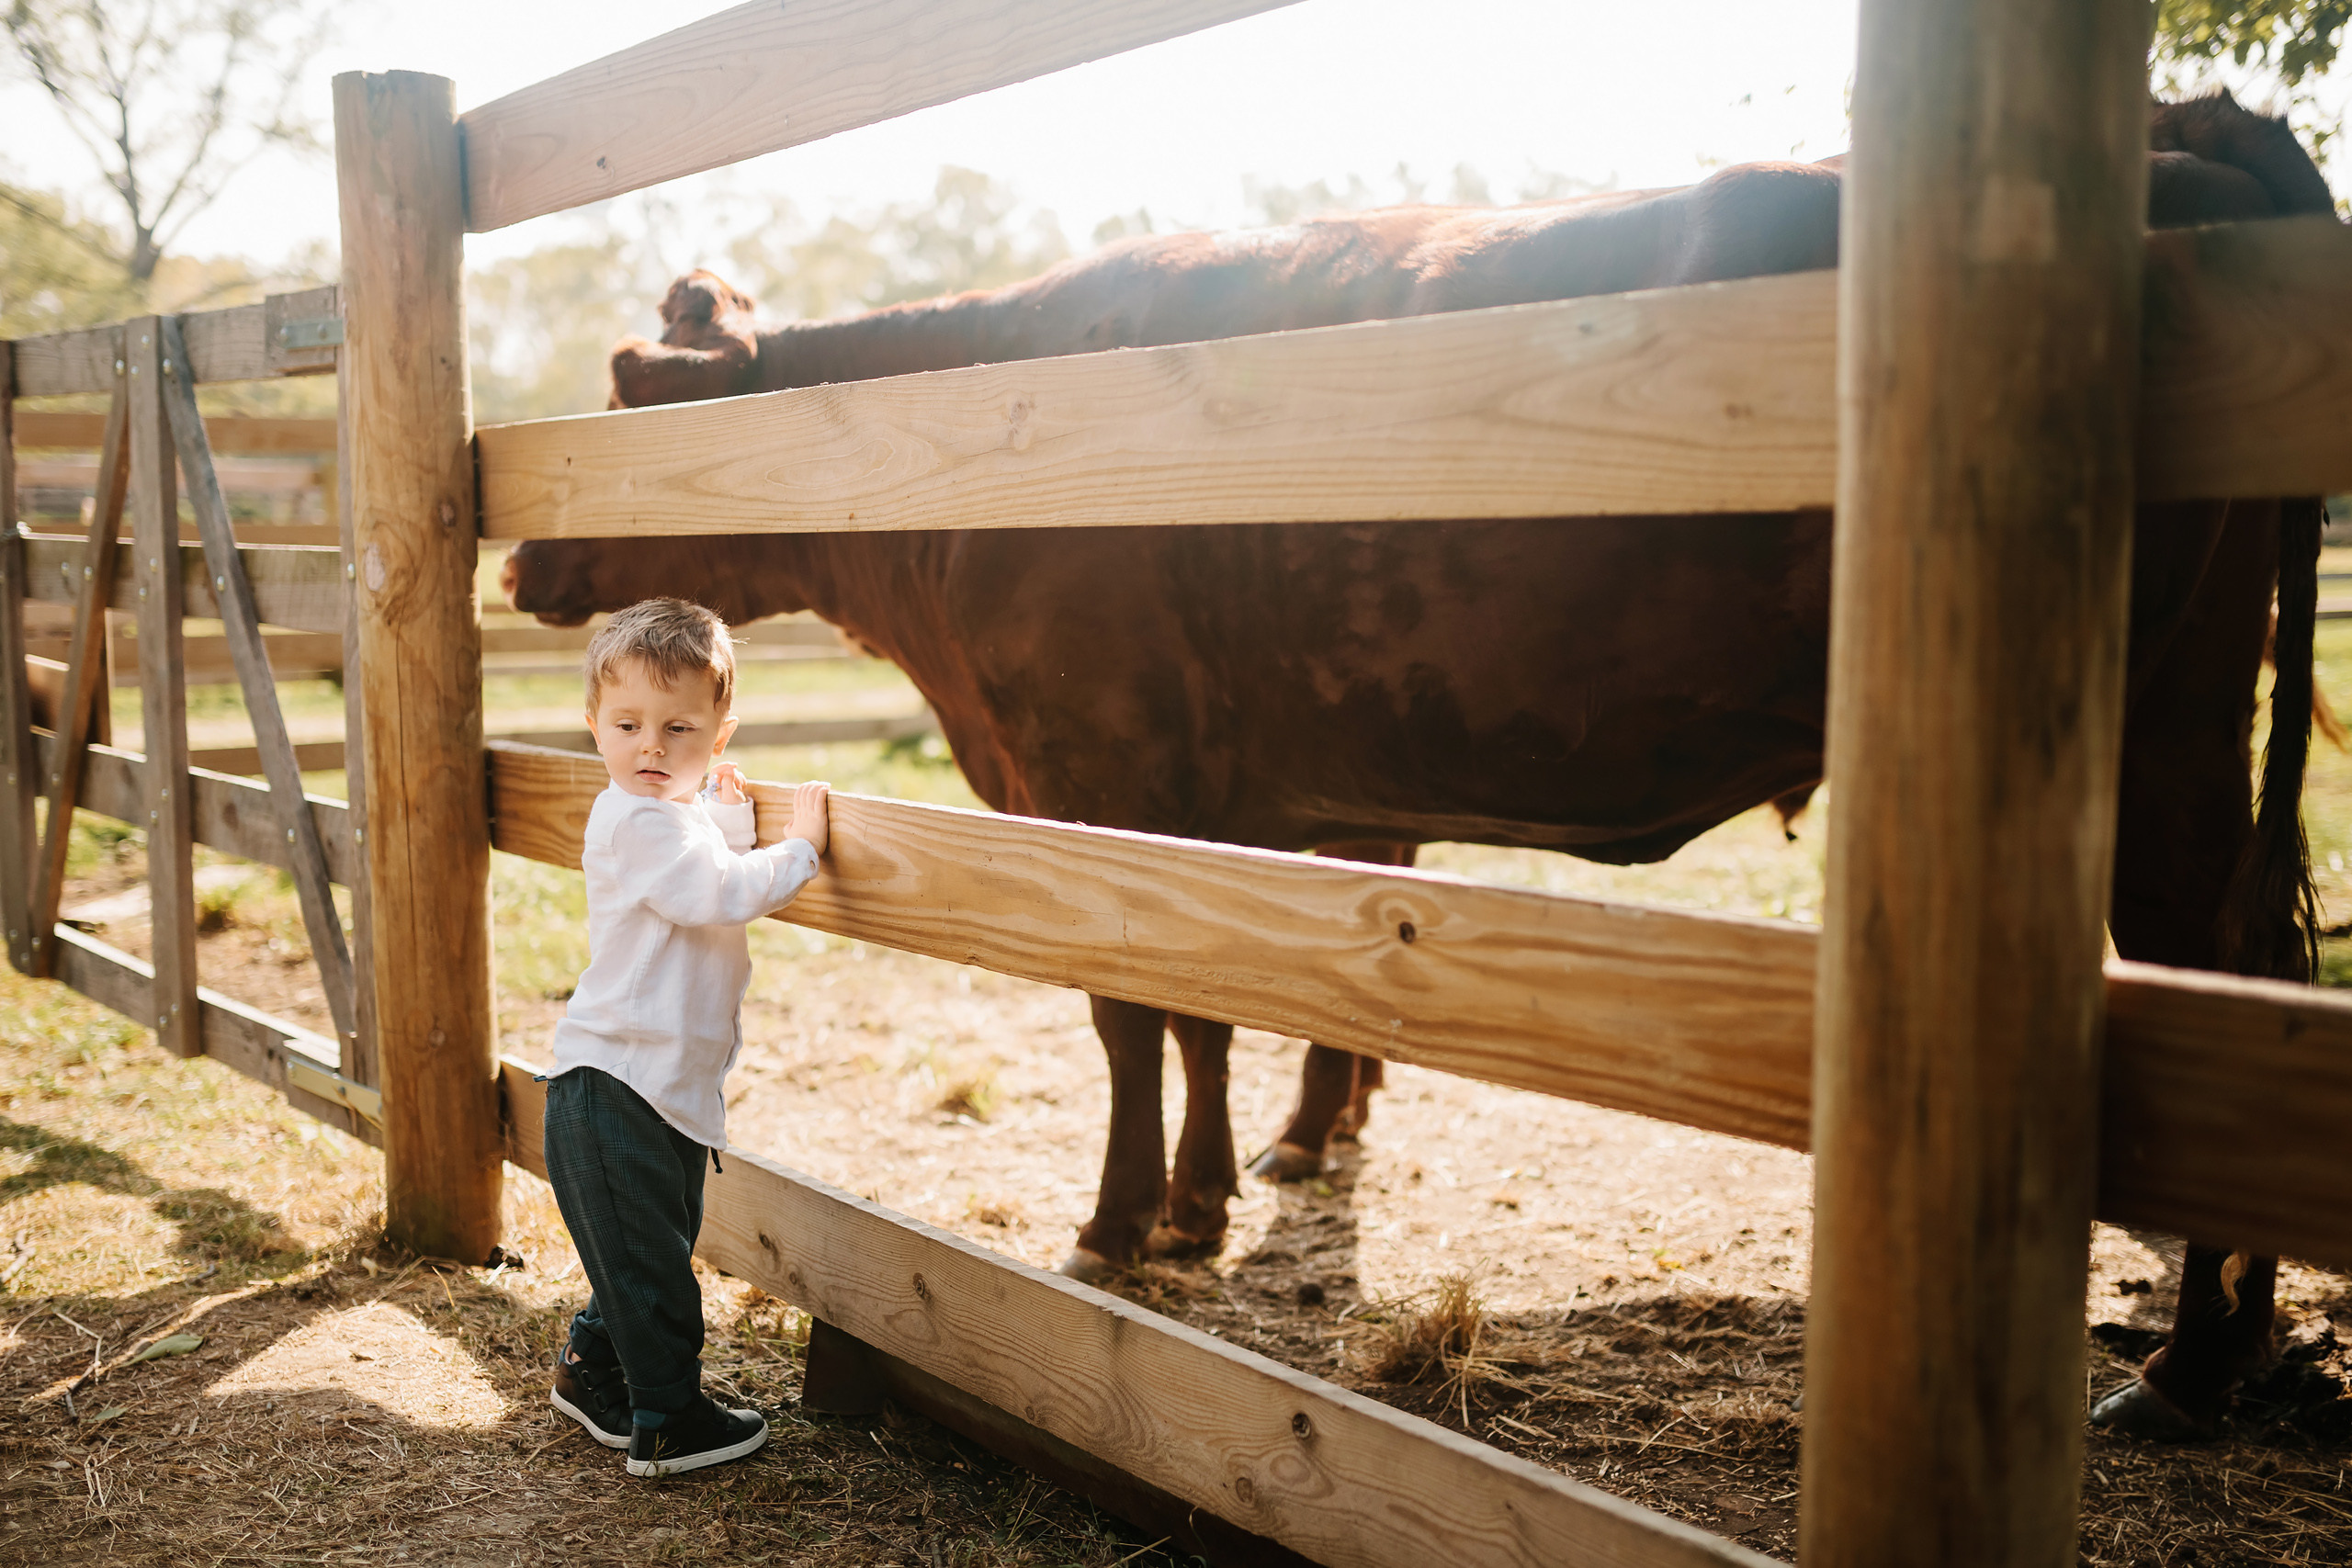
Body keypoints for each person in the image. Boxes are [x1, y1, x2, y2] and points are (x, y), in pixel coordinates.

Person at [538, 597, 831, 1478]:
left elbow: (701, 867)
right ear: (594, 725)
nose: (651, 747)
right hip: (615, 1086)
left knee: (642, 1253)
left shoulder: (671, 815)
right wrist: (799, 848)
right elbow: (715, 894)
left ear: (719, 729)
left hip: (657, 1088)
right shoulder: (634, 817)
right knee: (655, 1274)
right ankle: (668, 1418)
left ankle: (595, 1371)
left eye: (678, 727)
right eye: (627, 725)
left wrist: (731, 820)